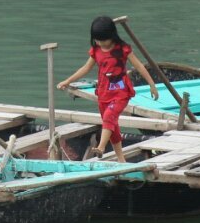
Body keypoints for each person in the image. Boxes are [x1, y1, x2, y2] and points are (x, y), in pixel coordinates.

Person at [56, 15, 160, 161]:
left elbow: (138, 65)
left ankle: (101, 147)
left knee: (109, 117)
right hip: (104, 93)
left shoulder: (122, 49)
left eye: (103, 40)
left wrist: (151, 84)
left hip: (121, 92)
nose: (100, 43)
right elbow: (85, 68)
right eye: (97, 40)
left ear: (111, 36)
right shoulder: (96, 51)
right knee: (112, 127)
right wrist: (68, 80)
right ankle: (121, 160)